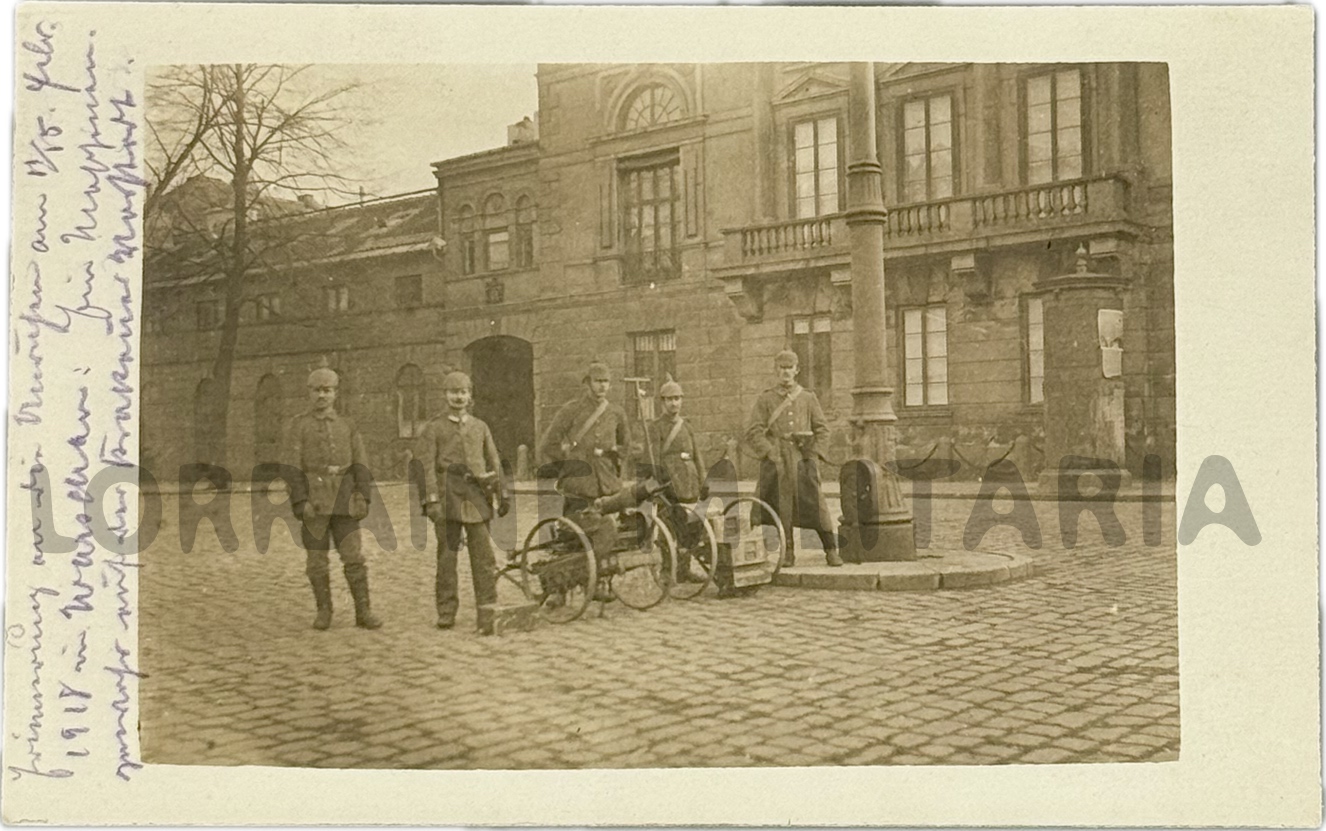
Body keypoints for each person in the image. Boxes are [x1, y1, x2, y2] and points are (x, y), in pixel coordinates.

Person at [285, 366, 382, 630]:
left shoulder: (347, 425)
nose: (321, 396)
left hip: (345, 502)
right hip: (314, 504)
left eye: (327, 390)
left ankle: (363, 611)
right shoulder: (299, 426)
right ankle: (324, 610)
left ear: (335, 394)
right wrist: (299, 501)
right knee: (316, 560)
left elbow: (361, 463)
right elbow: (292, 468)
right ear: (309, 393)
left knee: (353, 557)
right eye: (316, 390)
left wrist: (363, 496)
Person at [420, 371, 508, 632]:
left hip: (477, 497)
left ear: (470, 395)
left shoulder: (480, 427)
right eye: (453, 392)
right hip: (448, 498)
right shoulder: (434, 428)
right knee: (447, 559)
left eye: (463, 392)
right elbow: (425, 467)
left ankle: (488, 607)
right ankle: (446, 610)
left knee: (483, 557)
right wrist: (432, 501)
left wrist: (503, 492)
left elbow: (493, 459)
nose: (458, 397)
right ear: (445, 395)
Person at [743, 350, 843, 568]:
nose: (785, 372)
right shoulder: (766, 398)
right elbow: (753, 431)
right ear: (775, 370)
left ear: (797, 370)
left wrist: (814, 453)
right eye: (781, 367)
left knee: (816, 503)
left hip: (803, 459)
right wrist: (769, 451)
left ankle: (831, 550)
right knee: (782, 505)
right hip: (777, 460)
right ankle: (788, 552)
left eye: (790, 367)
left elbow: (823, 429)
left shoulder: (808, 397)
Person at [537, 360, 630, 514]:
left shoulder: (616, 412)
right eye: (598, 381)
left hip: (608, 482)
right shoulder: (571, 410)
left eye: (606, 381)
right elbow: (549, 444)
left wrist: (614, 455)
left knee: (612, 531)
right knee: (577, 531)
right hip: (579, 483)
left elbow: (625, 445)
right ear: (588, 383)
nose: (602, 386)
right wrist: (567, 463)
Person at [643, 376, 708, 582]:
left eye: (678, 399)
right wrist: (658, 481)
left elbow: (697, 454)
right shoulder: (656, 427)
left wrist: (703, 480)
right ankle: (666, 570)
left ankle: (684, 570)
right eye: (670, 399)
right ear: (662, 402)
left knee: (690, 526)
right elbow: (651, 458)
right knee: (668, 527)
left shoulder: (686, 426)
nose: (674, 403)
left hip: (689, 481)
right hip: (668, 484)